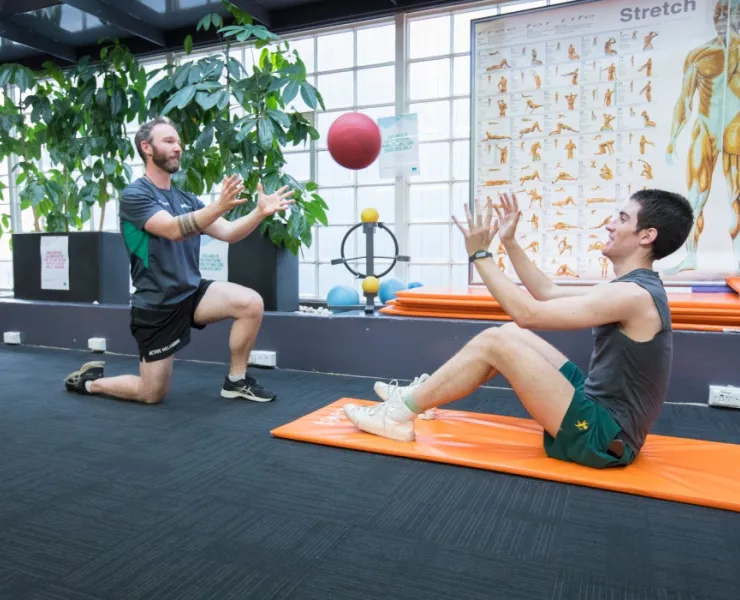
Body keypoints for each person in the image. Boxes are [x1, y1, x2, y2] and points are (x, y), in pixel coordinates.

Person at [344, 189, 694, 468]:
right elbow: (547, 294)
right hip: (597, 404)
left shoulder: (633, 295)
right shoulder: (632, 287)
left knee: (498, 340)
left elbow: (529, 311)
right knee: (511, 333)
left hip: (604, 438)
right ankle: (427, 395)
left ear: (647, 235)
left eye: (621, 218)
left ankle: (400, 413)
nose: (610, 224)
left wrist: (480, 255)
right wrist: (509, 242)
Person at [63, 116, 295, 404]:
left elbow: (229, 233)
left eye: (179, 142)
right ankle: (89, 384)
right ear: (146, 148)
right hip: (157, 303)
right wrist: (218, 206)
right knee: (152, 394)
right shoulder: (136, 195)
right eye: (169, 141)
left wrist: (259, 213)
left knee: (250, 303)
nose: (178, 148)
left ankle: (236, 381)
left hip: (191, 292)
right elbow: (174, 230)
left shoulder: (186, 198)